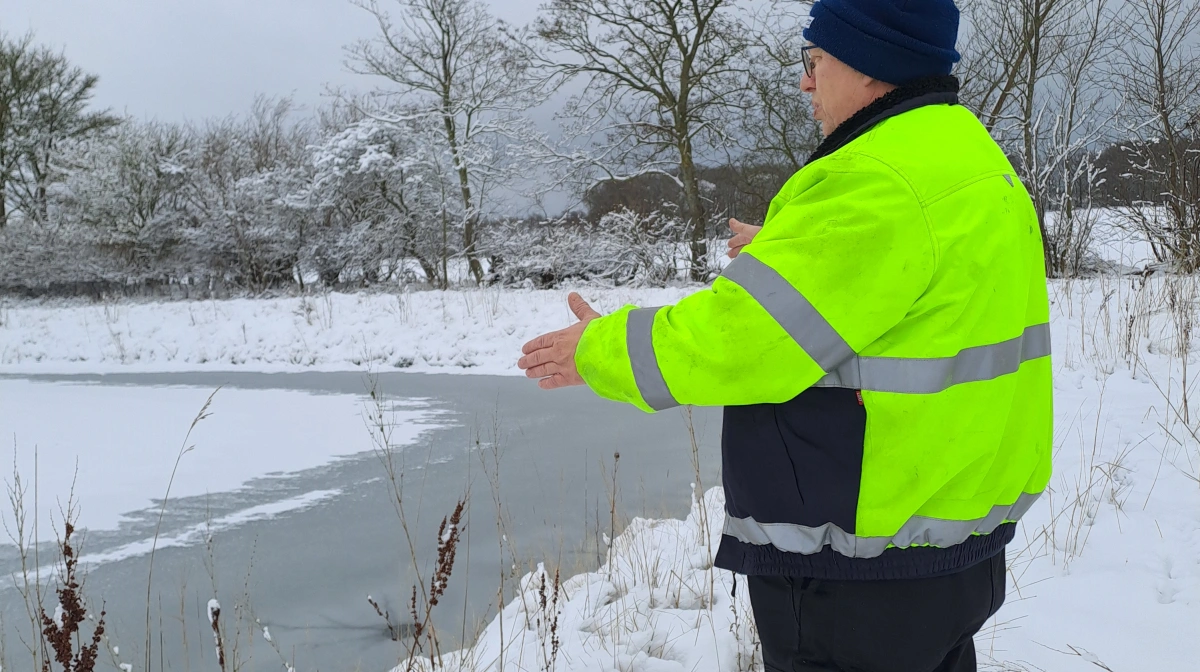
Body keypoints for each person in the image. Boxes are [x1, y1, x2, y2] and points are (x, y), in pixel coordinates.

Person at [517, 0, 1051, 669]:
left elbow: (738, 342)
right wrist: (790, 249)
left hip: (857, 576)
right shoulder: (967, 158)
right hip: (951, 551)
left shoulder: (874, 181)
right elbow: (918, 285)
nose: (804, 81)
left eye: (815, 60)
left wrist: (601, 348)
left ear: (871, 61)